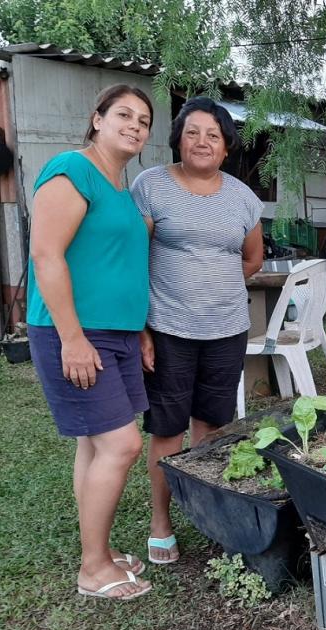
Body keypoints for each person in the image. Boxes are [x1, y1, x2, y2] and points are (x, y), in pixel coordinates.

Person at [27, 85, 155, 600]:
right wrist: (72, 339)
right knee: (122, 445)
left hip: (119, 333)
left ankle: (97, 548)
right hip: (79, 333)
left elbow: (118, 265)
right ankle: (92, 569)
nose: (135, 126)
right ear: (96, 119)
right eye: (123, 114)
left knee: (94, 441)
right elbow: (46, 256)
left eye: (143, 121)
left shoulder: (119, 188)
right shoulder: (71, 170)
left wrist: (140, 329)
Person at [131, 97, 264, 565]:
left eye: (213, 134)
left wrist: (216, 287)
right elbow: (135, 258)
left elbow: (252, 258)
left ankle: (205, 512)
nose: (202, 142)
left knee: (212, 423)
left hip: (227, 329)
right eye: (193, 132)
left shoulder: (243, 197)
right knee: (167, 428)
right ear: (178, 139)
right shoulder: (151, 187)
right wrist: (143, 327)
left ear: (226, 146)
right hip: (168, 328)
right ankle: (161, 521)